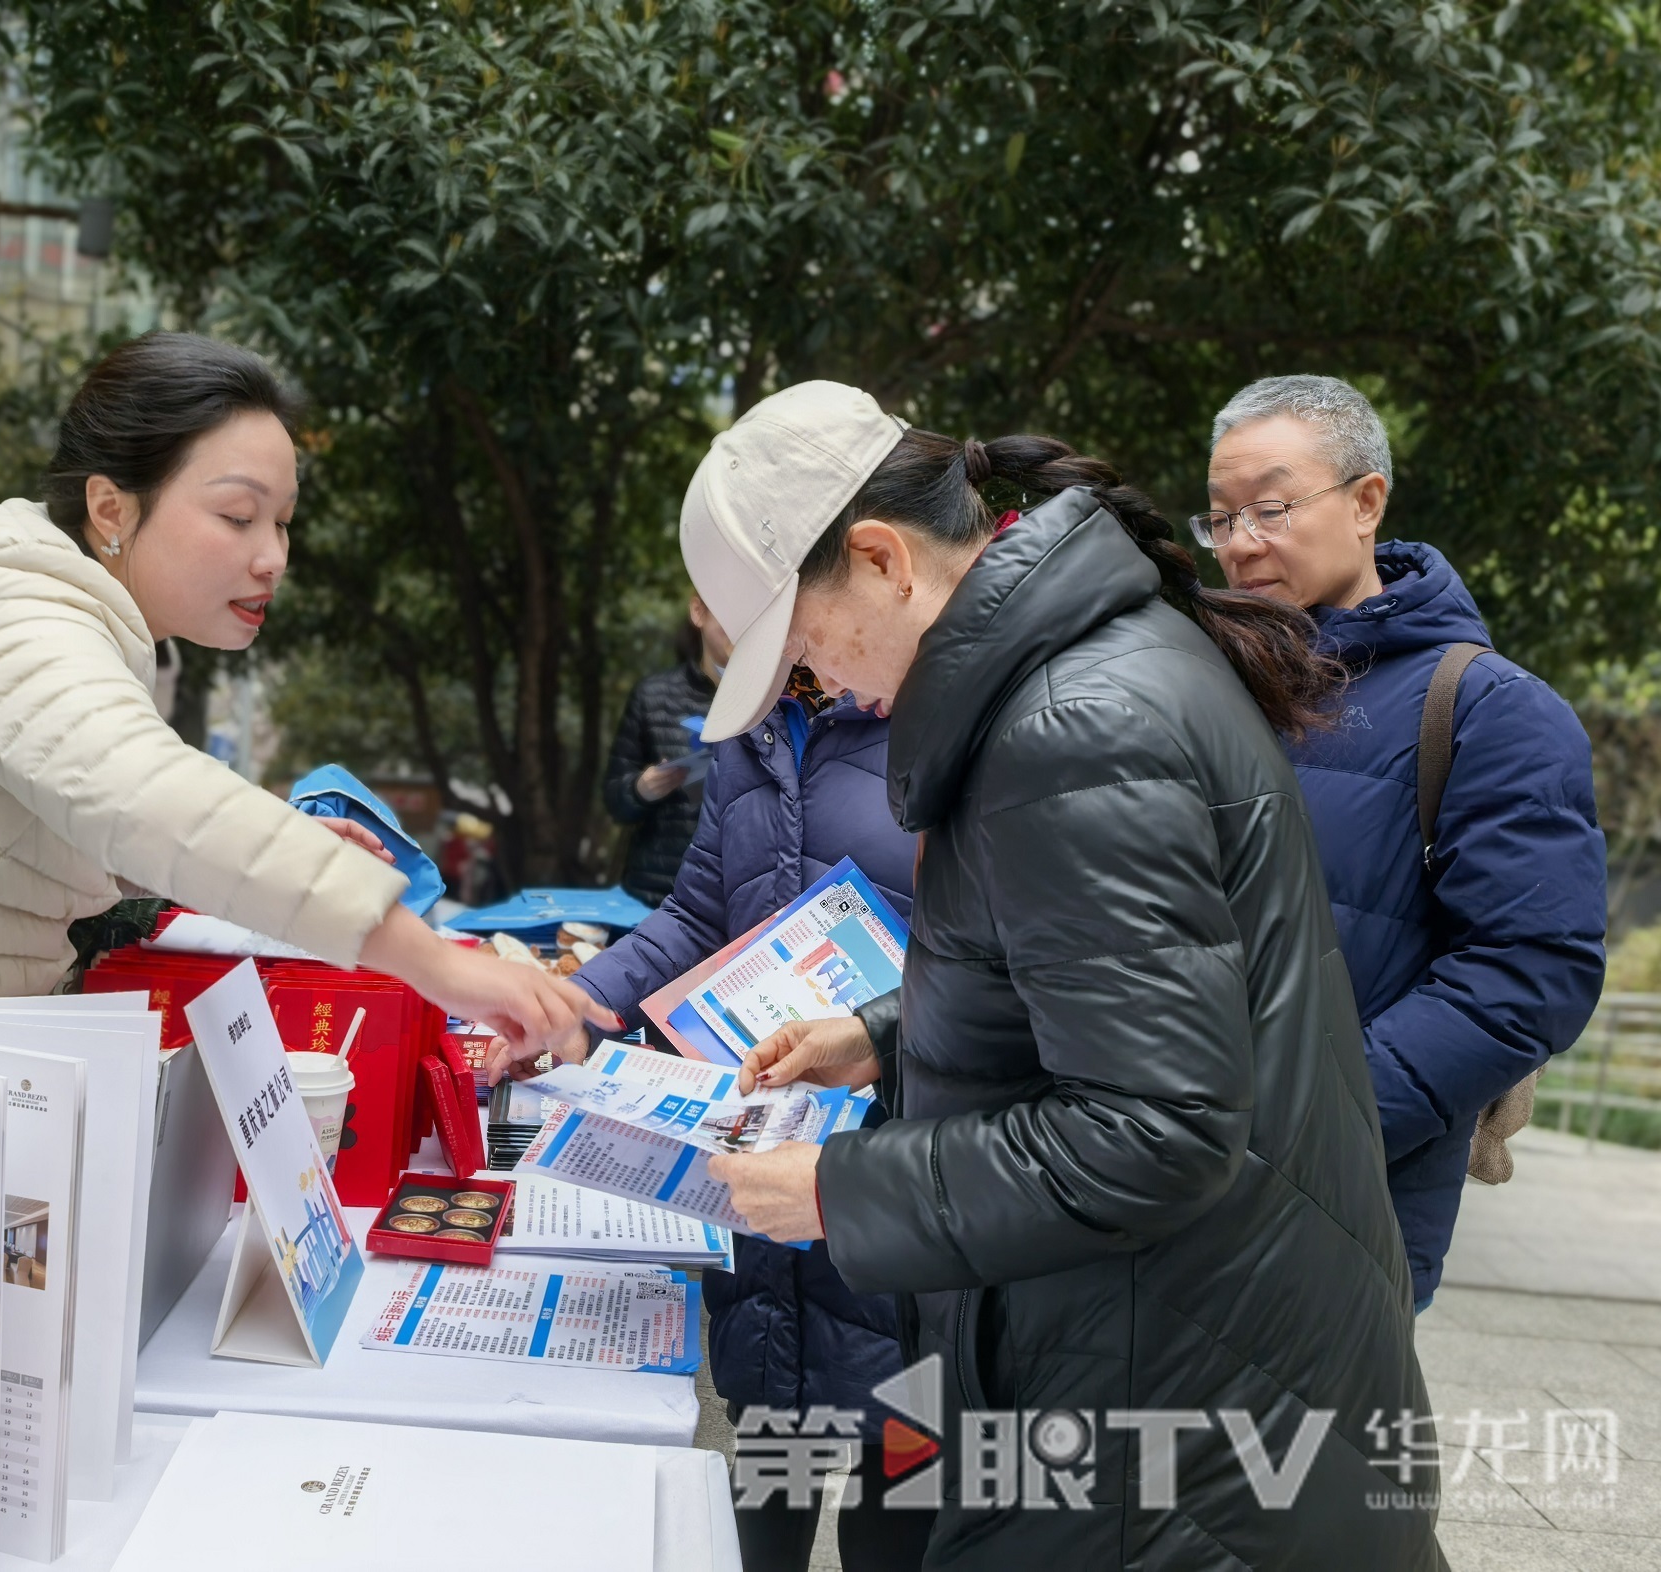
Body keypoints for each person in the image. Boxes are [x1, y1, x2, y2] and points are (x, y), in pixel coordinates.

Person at [0, 331, 612, 1524]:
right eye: (236, 515)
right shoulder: (11, 598)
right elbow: (141, 797)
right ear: (109, 507)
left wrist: (199, 895)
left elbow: (71, 858)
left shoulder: (107, 637)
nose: (269, 556)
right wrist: (430, 960)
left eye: (284, 524)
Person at [543, 381, 1441, 1567]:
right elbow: (1087, 986)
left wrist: (837, 1190)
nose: (830, 685)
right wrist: (888, 1029)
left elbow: (1154, 1127)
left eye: (806, 646)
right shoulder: (1075, 675)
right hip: (1171, 1345)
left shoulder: (1070, 723)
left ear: (879, 559)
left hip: (1164, 1400)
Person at [1201, 374, 1606, 1310]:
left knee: (1288, 1459)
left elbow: (1530, 971)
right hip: (1145, 1181)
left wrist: (1314, 1124)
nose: (1241, 543)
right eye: (1220, 518)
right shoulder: (1195, 683)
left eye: (1270, 506)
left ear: (1366, 501)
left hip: (1332, 1213)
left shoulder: (1489, 711)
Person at [574, 661, 928, 1572]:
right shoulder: (755, 720)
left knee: (904, 1478)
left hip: (900, 1157)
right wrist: (577, 1001)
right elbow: (698, 912)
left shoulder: (948, 710)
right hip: (767, 1134)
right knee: (768, 1465)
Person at [602, 595, 731, 907]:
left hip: (733, 897)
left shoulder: (779, 700)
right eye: (731, 611)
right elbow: (614, 799)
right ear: (698, 611)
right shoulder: (653, 695)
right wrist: (641, 789)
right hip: (655, 893)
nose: (741, 627)